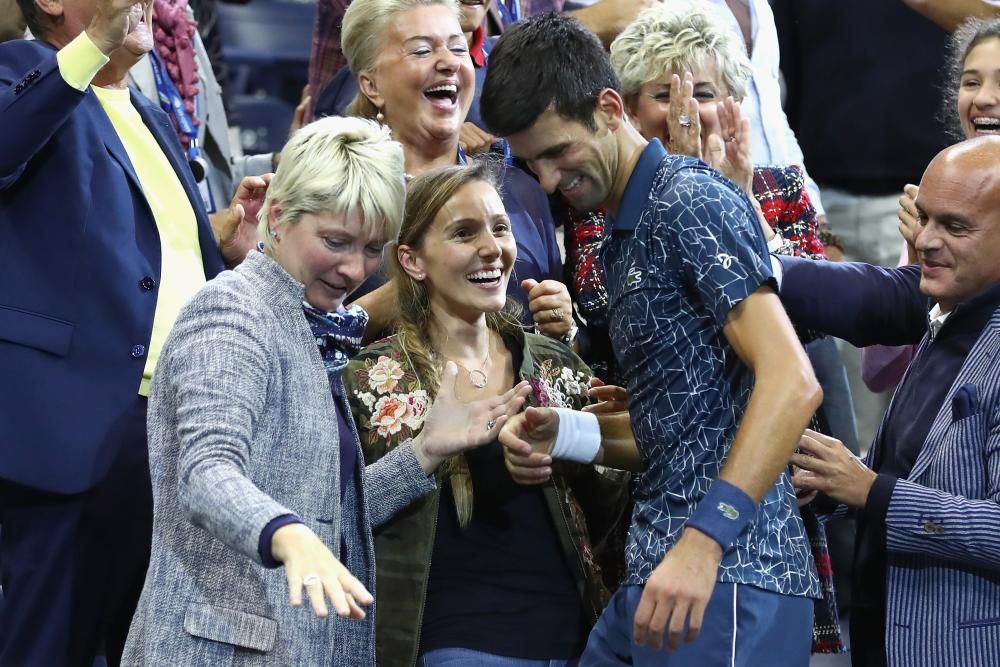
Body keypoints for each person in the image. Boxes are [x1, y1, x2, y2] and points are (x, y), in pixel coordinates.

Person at [122, 117, 532, 665]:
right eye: (335, 241)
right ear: (276, 215)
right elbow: (207, 473)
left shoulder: (307, 321)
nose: (352, 268)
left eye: (369, 249)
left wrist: (426, 450)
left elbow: (330, 515)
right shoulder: (232, 313)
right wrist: (287, 536)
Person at [481, 14, 822, 664]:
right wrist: (566, 431)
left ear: (610, 108)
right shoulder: (620, 234)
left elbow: (792, 379)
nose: (549, 181)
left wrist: (705, 538)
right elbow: (677, 432)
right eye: (532, 163)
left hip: (729, 577)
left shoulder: (689, 199)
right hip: (661, 571)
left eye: (558, 153)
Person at [0, 0, 260, 662]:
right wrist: (91, 42)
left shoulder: (145, 111)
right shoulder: (22, 69)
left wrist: (221, 240)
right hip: (74, 433)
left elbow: (150, 250)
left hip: (172, 429)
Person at [344, 162, 629, 667]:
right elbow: (335, 519)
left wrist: (598, 439)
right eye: (463, 233)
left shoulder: (554, 362)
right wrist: (425, 452)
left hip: (578, 641)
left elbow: (610, 507)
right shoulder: (368, 380)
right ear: (412, 260)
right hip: (454, 646)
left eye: (500, 228)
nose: (492, 248)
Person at [772, 135, 1000, 667]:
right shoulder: (947, 312)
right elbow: (908, 465)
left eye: (955, 226)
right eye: (923, 218)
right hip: (885, 637)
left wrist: (871, 491)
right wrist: (831, 482)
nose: (924, 241)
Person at [337, 0, 574, 344]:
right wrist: (386, 303)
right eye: (421, 51)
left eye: (458, 47)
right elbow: (296, 348)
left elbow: (564, 356)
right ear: (371, 84)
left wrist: (563, 327)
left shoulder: (522, 192)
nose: (448, 63)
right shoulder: (338, 197)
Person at [868, 17, 1000, 393]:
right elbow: (880, 371)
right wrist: (919, 255)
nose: (983, 98)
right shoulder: (937, 202)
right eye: (971, 82)